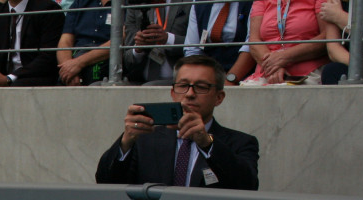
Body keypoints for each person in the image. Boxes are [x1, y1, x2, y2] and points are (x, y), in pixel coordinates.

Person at [95, 54, 259, 190]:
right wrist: (125, 143)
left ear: (219, 97)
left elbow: (248, 186)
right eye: (183, 86)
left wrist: (207, 143)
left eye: (201, 87)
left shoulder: (241, 143)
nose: (190, 94)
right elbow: (105, 182)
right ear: (173, 93)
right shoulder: (144, 139)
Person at [243, 0, 328, 84]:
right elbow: (254, 40)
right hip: (267, 73)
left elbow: (327, 36)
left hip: (308, 72)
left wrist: (284, 57)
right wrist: (273, 67)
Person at [183, 1, 256, 85]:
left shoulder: (252, 3)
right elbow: (192, 50)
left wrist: (229, 80)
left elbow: (251, 44)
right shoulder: (199, 3)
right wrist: (200, 79)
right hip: (207, 77)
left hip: (244, 78)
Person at [122, 0, 190, 84]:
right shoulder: (134, 3)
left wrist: (168, 39)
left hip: (182, 79)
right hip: (139, 80)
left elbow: (201, 44)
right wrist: (138, 49)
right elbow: (127, 59)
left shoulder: (191, 2)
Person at [319, 0, 363, 85]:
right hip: (352, 60)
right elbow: (333, 48)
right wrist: (356, 64)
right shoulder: (335, 3)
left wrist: (338, 16)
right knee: (331, 70)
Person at [56, 0, 111, 85]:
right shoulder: (79, 3)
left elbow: (121, 41)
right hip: (75, 62)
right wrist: (68, 71)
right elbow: (65, 41)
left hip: (105, 64)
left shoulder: (125, 4)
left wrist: (78, 63)